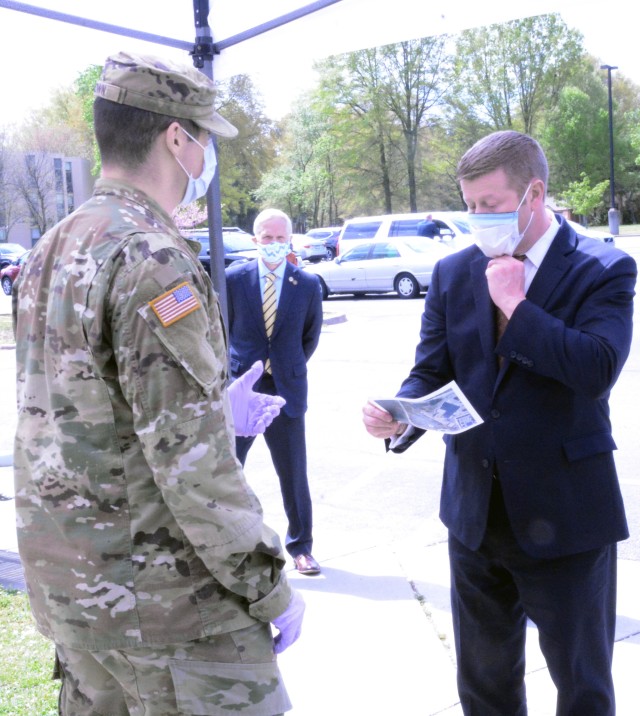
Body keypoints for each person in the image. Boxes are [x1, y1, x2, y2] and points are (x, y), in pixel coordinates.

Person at [12, 51, 303, 716]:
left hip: (75, 590)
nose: (207, 155)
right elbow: (193, 470)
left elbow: (69, 408)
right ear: (177, 137)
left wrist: (210, 410)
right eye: (205, 137)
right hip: (166, 609)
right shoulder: (153, 255)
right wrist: (268, 587)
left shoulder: (52, 247)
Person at [363, 130, 636, 715]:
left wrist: (517, 305)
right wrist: (399, 413)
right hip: (474, 517)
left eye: (488, 205)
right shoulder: (454, 272)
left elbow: (596, 369)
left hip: (567, 518)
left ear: (533, 193)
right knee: (485, 686)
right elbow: (430, 371)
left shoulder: (603, 267)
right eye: (469, 206)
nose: (475, 219)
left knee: (583, 687)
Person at [225, 208, 324, 575]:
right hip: (242, 391)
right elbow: (222, 330)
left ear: (290, 241)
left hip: (286, 391)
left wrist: (285, 367)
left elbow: (308, 339)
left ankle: (301, 547)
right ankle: (229, 546)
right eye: (267, 238)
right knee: (227, 471)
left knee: (293, 474)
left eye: (281, 238)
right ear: (255, 241)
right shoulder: (232, 279)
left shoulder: (307, 284)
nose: (274, 244)